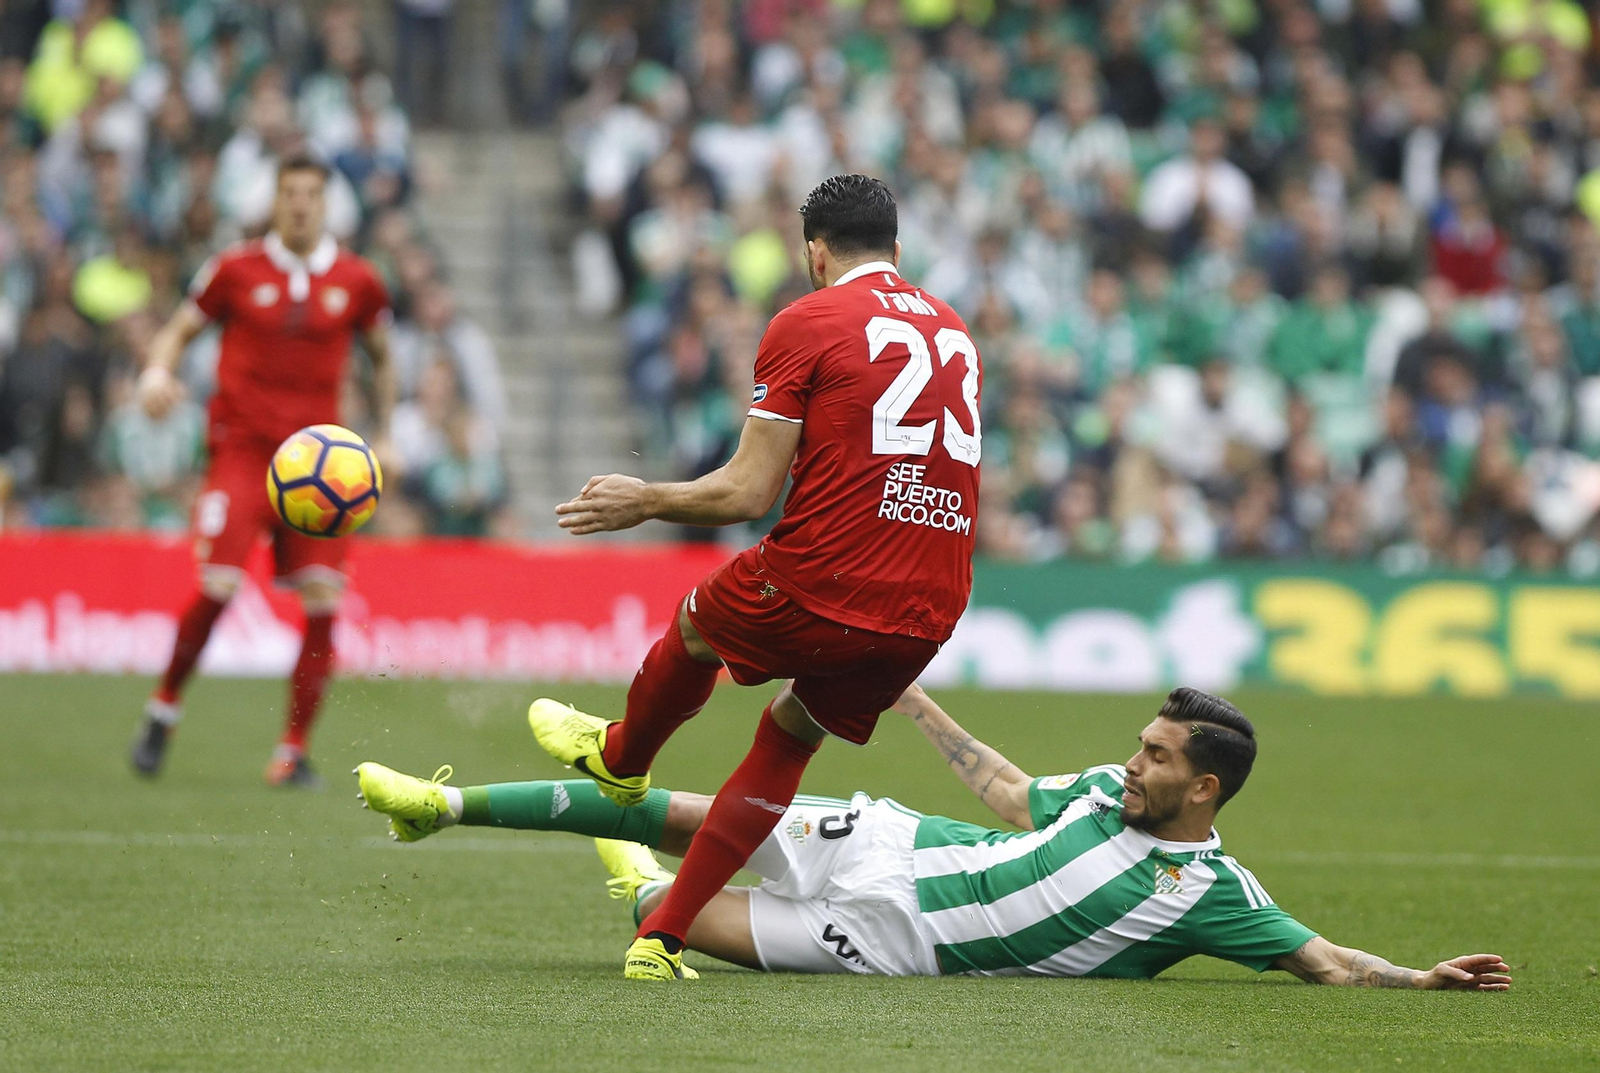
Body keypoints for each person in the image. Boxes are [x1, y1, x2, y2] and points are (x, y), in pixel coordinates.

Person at [539, 174, 983, 980]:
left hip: (827, 574)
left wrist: (647, 499)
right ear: (898, 249)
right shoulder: (955, 329)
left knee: (694, 626)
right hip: (933, 602)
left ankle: (623, 755)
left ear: (814, 253)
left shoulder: (807, 320)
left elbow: (746, 491)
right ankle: (663, 938)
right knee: (791, 731)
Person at [354, 685, 1511, 989]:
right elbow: (1007, 790)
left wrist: (1417, 975)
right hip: (888, 840)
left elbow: (1318, 958)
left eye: (1158, 755)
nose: (1135, 758)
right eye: (1142, 743)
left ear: (1204, 788)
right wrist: (913, 702)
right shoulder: (1104, 787)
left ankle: (641, 884)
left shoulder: (1210, 891)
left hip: (895, 943)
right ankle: (440, 805)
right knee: (673, 806)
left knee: (677, 916)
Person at [129, 154, 394, 787]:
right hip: (243, 450)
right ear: (274, 201)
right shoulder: (235, 268)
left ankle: (292, 751)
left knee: (325, 602)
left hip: (320, 470)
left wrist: (385, 432)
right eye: (289, 193)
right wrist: (157, 372)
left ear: (326, 204)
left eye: (311, 194)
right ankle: (163, 710)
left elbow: (383, 357)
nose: (300, 204)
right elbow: (178, 332)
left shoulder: (358, 280)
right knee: (218, 585)